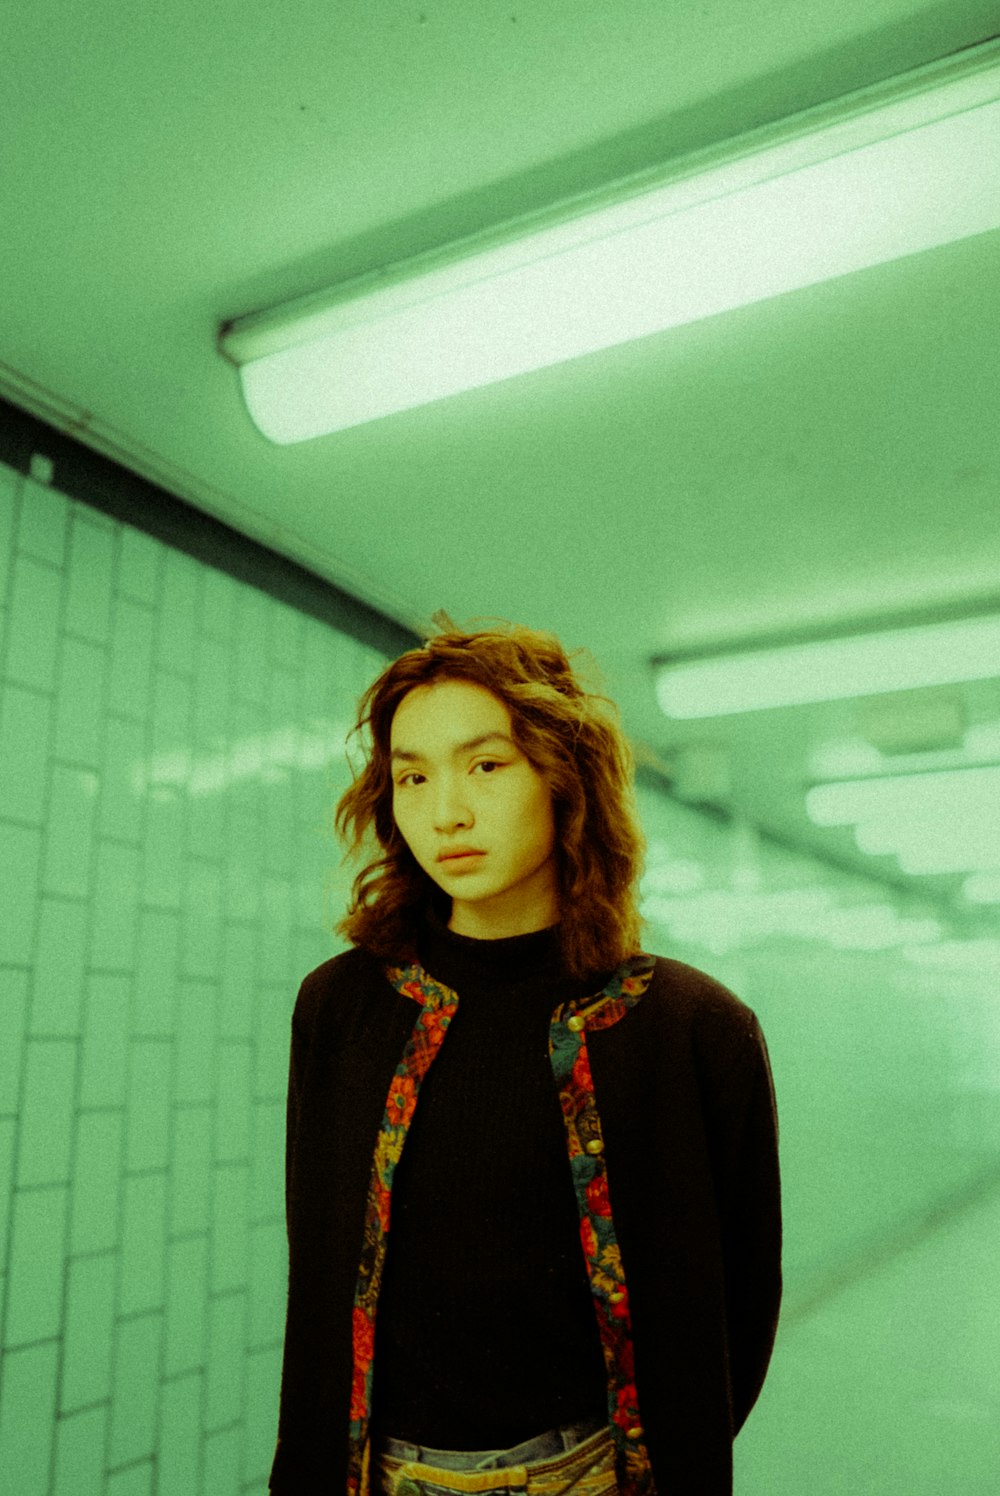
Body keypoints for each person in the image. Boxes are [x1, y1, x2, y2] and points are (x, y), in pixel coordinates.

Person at [269, 619, 782, 1496]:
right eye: (412, 775)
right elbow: (319, 1279)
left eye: (486, 765)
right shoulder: (343, 1006)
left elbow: (736, 1315)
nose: (446, 811)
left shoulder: (692, 1028)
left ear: (562, 775)